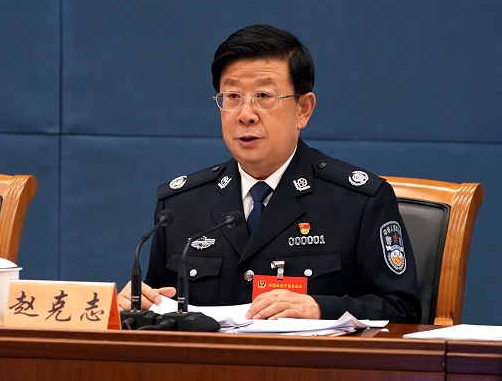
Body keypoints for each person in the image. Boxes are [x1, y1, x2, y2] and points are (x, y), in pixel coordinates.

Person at [118, 24, 421, 323]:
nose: (246, 114)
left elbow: (402, 310)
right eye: (232, 96)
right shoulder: (180, 207)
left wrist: (320, 309)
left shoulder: (358, 201)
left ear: (303, 109)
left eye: (264, 95)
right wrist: (135, 307)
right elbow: (158, 315)